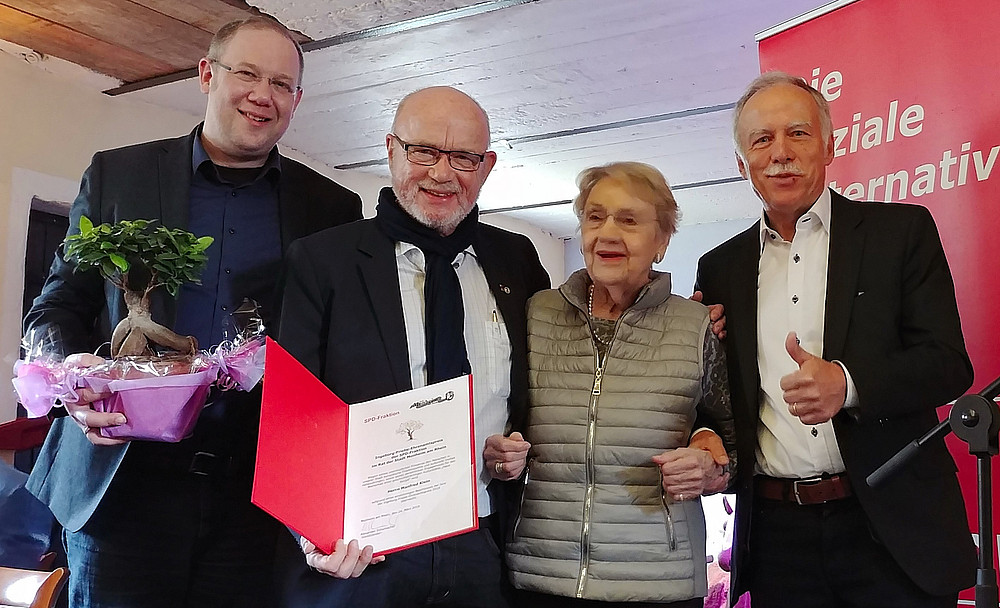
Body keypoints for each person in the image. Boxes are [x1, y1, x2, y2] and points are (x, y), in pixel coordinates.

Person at [24, 16, 362, 607]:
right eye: (247, 73)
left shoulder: (331, 208)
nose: (263, 95)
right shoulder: (119, 176)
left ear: (298, 99)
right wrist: (70, 376)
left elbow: (339, 350)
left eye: (281, 84)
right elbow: (55, 307)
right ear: (207, 74)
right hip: (121, 486)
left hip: (254, 497)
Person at [695, 71, 976, 608]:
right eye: (762, 139)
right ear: (742, 164)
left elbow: (947, 364)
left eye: (798, 133)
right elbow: (718, 398)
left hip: (891, 529)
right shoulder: (720, 267)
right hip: (778, 539)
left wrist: (847, 385)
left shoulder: (901, 232)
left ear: (829, 145)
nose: (781, 153)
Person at [272, 86, 550, 607]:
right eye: (423, 151)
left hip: (485, 541)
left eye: (463, 157)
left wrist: (516, 448)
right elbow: (292, 411)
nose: (442, 174)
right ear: (391, 150)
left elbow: (542, 382)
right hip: (363, 550)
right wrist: (310, 532)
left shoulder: (517, 260)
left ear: (487, 166)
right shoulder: (323, 261)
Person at [502, 162, 736, 607]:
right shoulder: (535, 314)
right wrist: (502, 451)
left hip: (658, 582)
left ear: (662, 241)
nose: (607, 232)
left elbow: (733, 442)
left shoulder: (697, 326)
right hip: (542, 575)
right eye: (595, 217)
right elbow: (507, 416)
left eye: (628, 220)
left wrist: (711, 469)